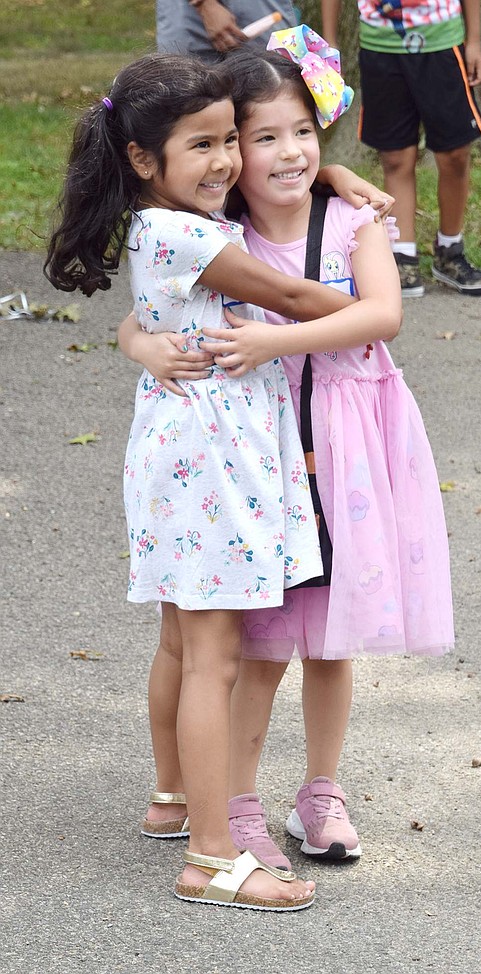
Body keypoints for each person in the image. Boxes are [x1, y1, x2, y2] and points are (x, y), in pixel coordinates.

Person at [44, 51, 398, 911]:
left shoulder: (158, 221)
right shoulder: (196, 235)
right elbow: (306, 300)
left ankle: (173, 799)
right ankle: (212, 856)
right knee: (213, 656)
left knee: (180, 640)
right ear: (141, 158)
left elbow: (153, 313)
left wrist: (334, 179)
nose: (226, 161)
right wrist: (349, 217)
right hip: (210, 456)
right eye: (204, 145)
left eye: (224, 141)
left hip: (183, 447)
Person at [120, 35, 453, 872]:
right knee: (260, 647)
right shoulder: (215, 226)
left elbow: (381, 315)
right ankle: (233, 802)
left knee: (331, 646)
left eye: (302, 132)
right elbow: (153, 303)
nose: (284, 152)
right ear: (231, 146)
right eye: (258, 136)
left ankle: (322, 789)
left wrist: (280, 342)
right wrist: (137, 342)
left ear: (324, 132)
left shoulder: (350, 219)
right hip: (258, 470)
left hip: (345, 456)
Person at [322, 0, 481, 298]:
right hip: (382, 47)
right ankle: (402, 257)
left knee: (455, 154)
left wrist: (475, 41)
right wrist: (330, 41)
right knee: (395, 157)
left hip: (442, 44)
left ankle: (450, 251)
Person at [156, 0, 296, 61]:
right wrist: (205, 4)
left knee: (275, 89)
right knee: (187, 102)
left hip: (261, 8)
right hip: (187, 13)